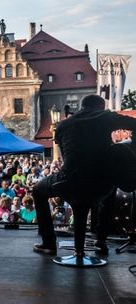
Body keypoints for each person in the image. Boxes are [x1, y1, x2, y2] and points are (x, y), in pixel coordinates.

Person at [33, 95, 136, 255]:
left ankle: (48, 243)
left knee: (38, 191)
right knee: (110, 187)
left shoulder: (63, 124)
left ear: (82, 106)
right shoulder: (106, 117)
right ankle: (101, 240)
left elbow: (66, 157)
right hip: (99, 183)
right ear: (101, 106)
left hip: (69, 181)